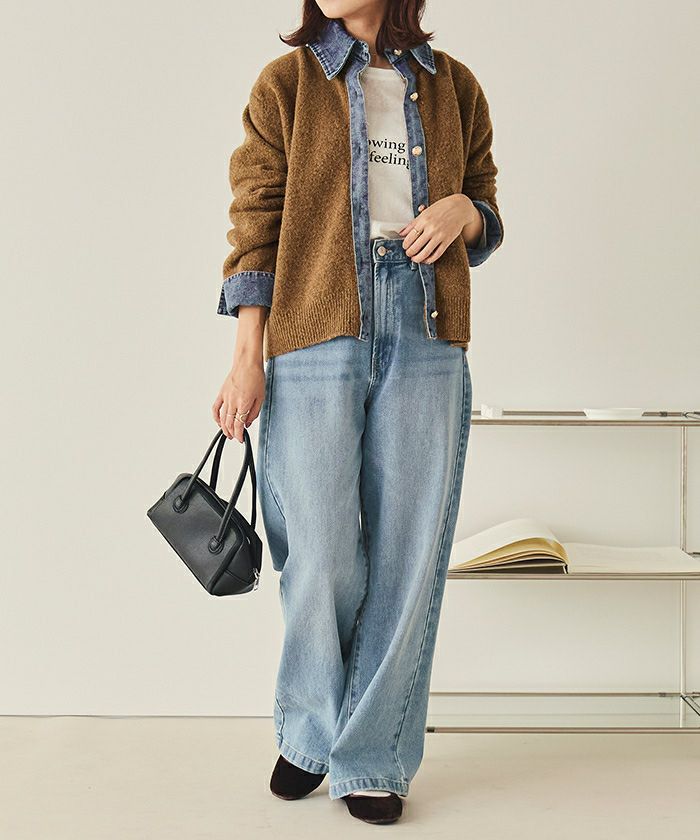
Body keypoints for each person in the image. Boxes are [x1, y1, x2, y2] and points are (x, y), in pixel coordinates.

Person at [212, 0, 504, 825]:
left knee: (409, 557)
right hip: (314, 330)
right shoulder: (286, 85)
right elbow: (255, 224)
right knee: (320, 554)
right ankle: (311, 732)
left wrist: (465, 212)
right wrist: (246, 356)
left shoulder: (455, 88)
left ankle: (372, 755)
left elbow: (486, 208)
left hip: (426, 331)